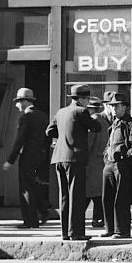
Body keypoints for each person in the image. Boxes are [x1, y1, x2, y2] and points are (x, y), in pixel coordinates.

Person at [46, 84, 102, 241]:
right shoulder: (81, 111)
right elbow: (96, 127)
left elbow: (49, 131)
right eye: (87, 99)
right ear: (83, 99)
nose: (88, 102)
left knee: (64, 196)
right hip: (75, 159)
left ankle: (65, 232)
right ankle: (76, 232)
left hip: (59, 158)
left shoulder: (61, 112)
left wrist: (64, 133)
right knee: (76, 196)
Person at [2, 87, 51, 229]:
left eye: (18, 101)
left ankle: (30, 221)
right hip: (40, 155)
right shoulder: (42, 115)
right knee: (33, 184)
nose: (17, 105)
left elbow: (20, 140)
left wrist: (10, 160)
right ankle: (42, 210)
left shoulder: (26, 117)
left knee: (26, 188)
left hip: (28, 155)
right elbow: (47, 136)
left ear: (24, 102)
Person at [102, 93, 132, 238]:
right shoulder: (114, 124)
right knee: (107, 198)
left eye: (116, 105)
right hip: (109, 164)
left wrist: (124, 157)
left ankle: (122, 231)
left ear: (124, 107)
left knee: (121, 199)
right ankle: (110, 229)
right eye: (112, 106)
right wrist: (106, 155)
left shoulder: (130, 124)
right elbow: (109, 143)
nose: (113, 108)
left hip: (121, 165)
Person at [85, 97, 111, 229]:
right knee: (98, 193)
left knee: (88, 192)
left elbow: (87, 144)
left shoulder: (93, 122)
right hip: (101, 160)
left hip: (91, 162)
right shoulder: (104, 122)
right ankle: (98, 218)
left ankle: (95, 218)